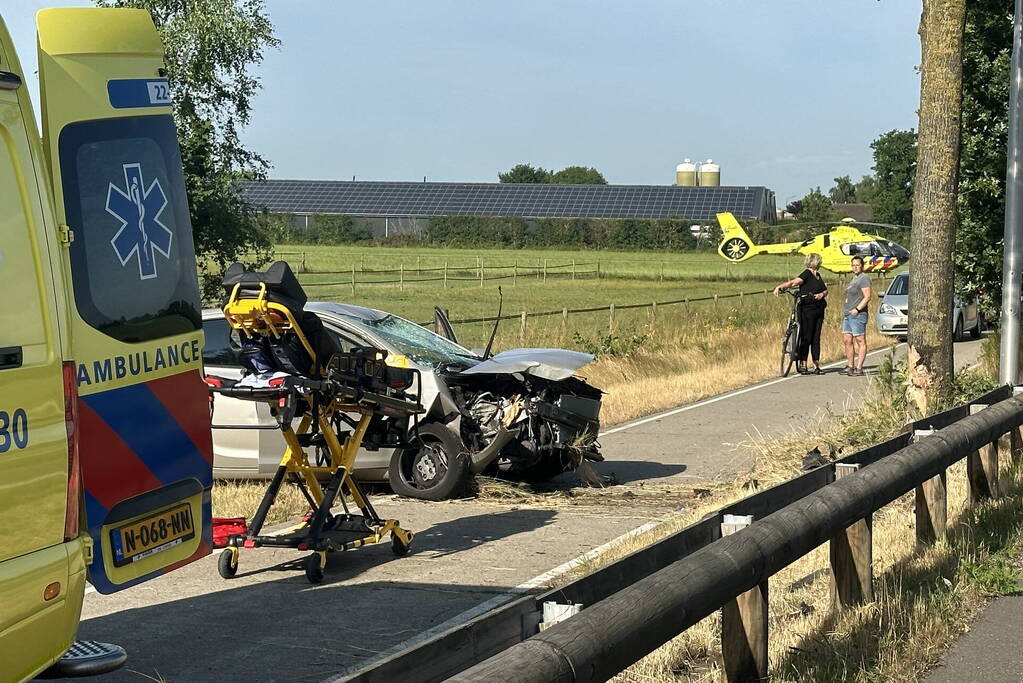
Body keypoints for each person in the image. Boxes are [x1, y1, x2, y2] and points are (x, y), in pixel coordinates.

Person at [773, 253, 828, 374]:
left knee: (816, 337)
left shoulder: (818, 275)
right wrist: (781, 287)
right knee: (806, 335)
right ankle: (803, 362)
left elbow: (825, 290)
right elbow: (794, 282)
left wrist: (821, 295)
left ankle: (816, 363)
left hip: (819, 309)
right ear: (816, 262)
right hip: (807, 309)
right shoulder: (807, 273)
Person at [842, 255, 872, 376]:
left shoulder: (864, 278)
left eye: (857, 265)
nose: (855, 267)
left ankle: (859, 367)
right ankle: (850, 365)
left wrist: (858, 309)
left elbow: (867, 296)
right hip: (847, 314)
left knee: (860, 340)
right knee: (847, 339)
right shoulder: (854, 278)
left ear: (862, 266)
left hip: (858, 314)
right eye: (853, 265)